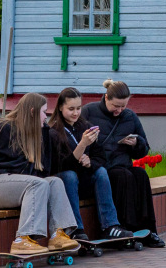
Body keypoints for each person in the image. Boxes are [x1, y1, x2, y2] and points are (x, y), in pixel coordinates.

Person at [0, 92, 81, 257]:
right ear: (32, 111)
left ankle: (58, 235)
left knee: (55, 182)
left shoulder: (39, 132)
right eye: (43, 112)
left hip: (20, 186)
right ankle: (22, 240)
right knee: (38, 183)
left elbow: (45, 170)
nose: (46, 117)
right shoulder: (2, 127)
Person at [82, 79, 164, 248]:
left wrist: (136, 143)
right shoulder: (89, 111)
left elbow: (144, 149)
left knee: (141, 175)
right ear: (106, 98)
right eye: (115, 106)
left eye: (123, 106)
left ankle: (148, 230)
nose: (119, 110)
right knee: (122, 176)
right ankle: (123, 228)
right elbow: (78, 140)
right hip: (101, 168)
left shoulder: (130, 116)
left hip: (122, 164)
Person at [48, 87, 134, 242]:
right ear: (60, 107)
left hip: (85, 181)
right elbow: (58, 166)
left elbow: (101, 157)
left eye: (78, 108)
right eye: (71, 109)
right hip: (66, 185)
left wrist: (90, 163)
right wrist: (82, 146)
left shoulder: (85, 126)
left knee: (101, 171)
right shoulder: (53, 131)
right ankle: (75, 229)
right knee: (69, 175)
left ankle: (110, 226)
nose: (75, 113)